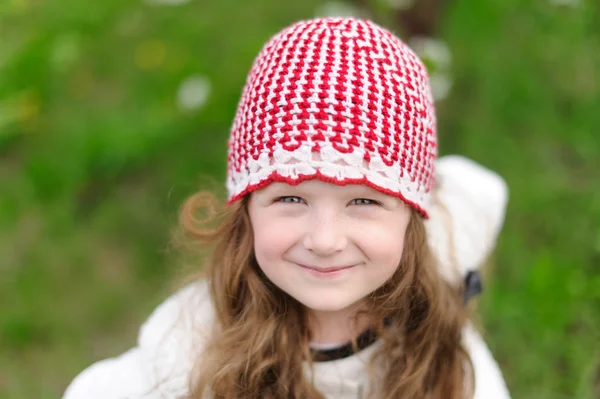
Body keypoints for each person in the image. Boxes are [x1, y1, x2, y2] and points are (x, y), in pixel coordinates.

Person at [63, 17, 511, 399]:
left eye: (363, 200)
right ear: (247, 207)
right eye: (291, 198)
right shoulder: (195, 345)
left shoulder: (441, 268)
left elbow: (479, 191)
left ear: (415, 212)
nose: (324, 240)